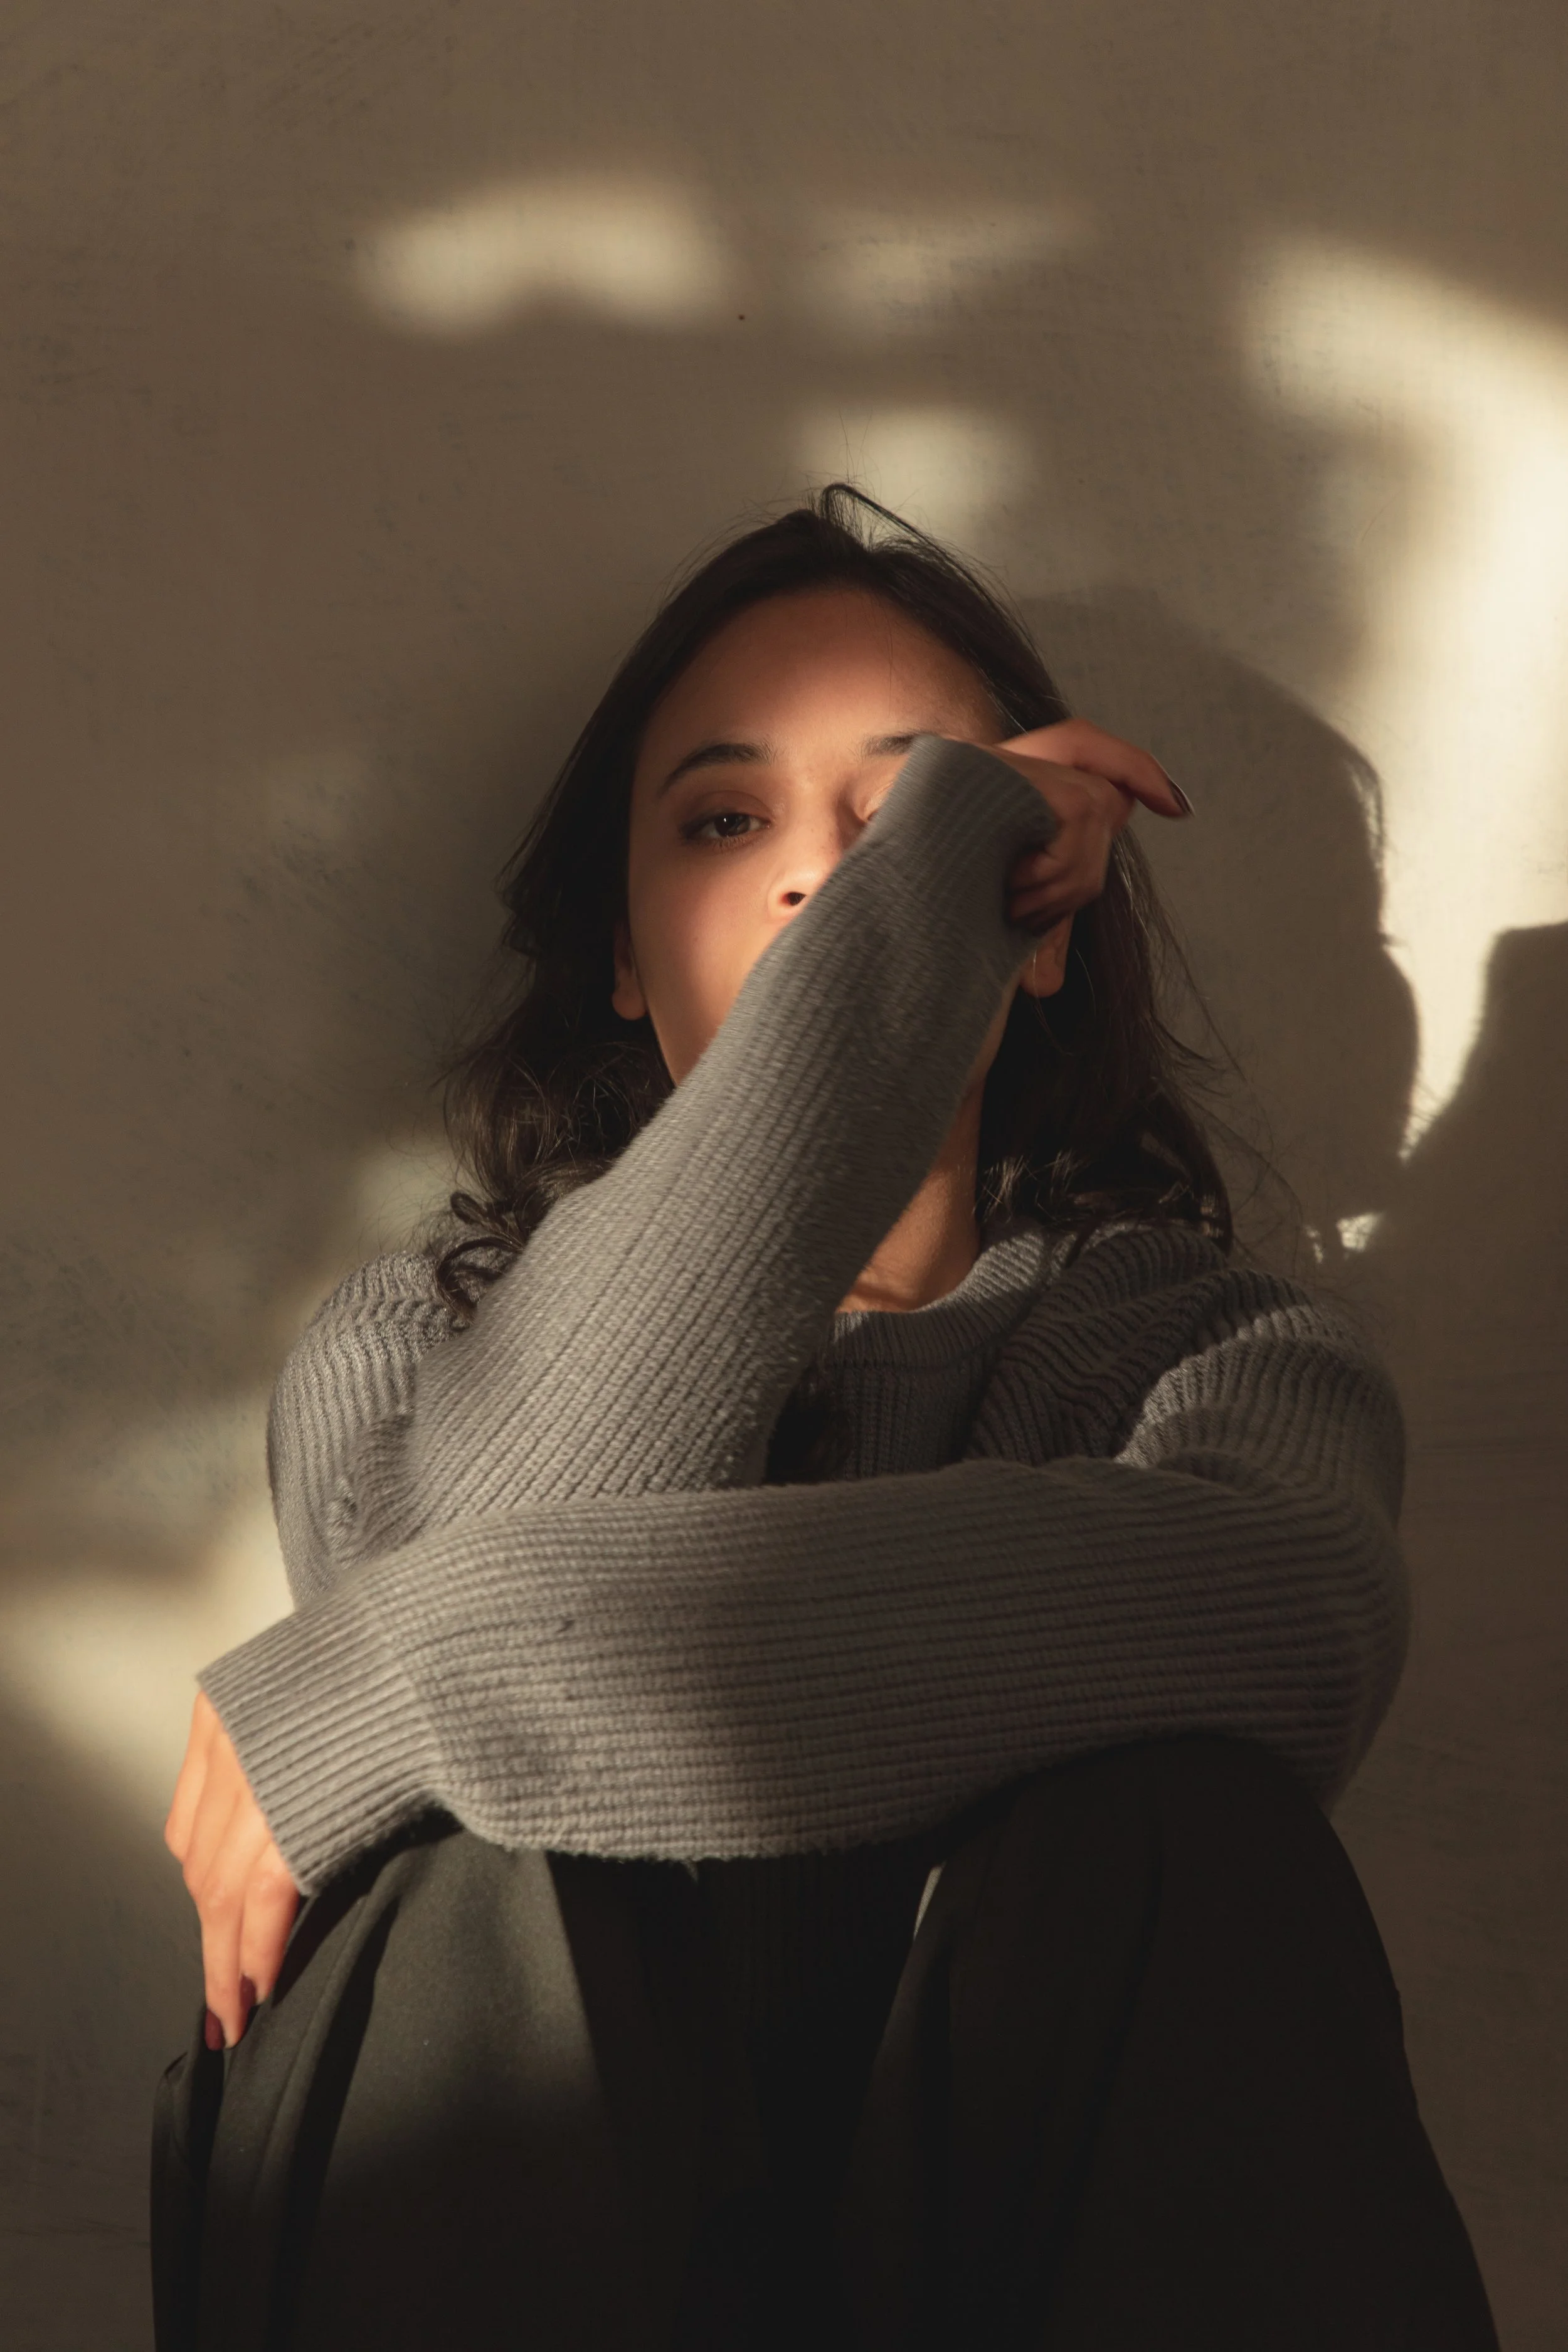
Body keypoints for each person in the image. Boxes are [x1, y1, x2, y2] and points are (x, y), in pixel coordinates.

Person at [154, 487, 1497, 2349]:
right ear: (623, 953)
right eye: (727, 821)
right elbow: (466, 1548)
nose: (822, 886)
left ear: (1039, 932)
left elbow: (1295, 1614)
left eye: (912, 825)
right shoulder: (412, 1339)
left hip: (1028, 2250)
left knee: (1185, 1825)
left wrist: (402, 1664)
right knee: (466, 1885)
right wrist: (888, 977)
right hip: (538, 2239)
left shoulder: (1210, 1351)